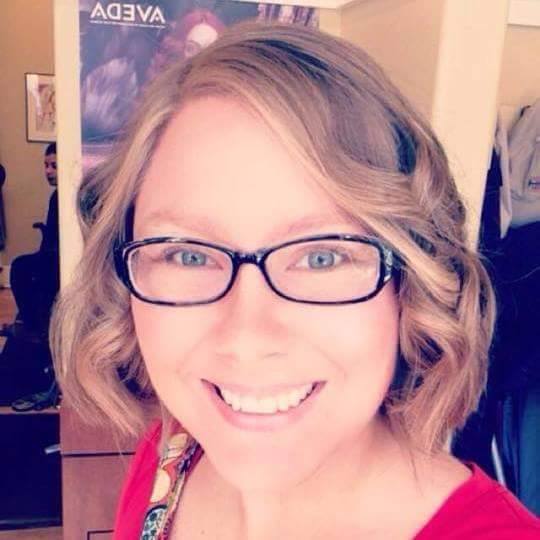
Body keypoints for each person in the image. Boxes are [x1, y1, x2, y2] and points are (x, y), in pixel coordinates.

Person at [51, 23, 540, 539]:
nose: (247, 338)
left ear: (411, 282)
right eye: (188, 255)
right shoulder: (167, 462)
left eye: (322, 257)